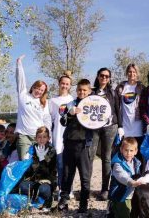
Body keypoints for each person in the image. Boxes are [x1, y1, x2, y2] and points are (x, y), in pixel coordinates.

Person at [57, 79, 98, 213]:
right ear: (76, 90)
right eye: (80, 90)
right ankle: (63, 202)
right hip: (69, 143)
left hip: (85, 145)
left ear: (89, 91)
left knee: (85, 176)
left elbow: (100, 121)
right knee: (67, 174)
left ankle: (83, 204)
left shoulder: (94, 104)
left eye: (85, 90)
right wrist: (70, 113)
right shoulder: (70, 104)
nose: (82, 92)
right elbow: (62, 121)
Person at [90, 67, 121, 201]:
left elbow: (118, 110)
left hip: (110, 127)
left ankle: (104, 189)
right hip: (94, 128)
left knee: (107, 158)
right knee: (90, 156)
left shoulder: (113, 93)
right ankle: (87, 189)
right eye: (102, 75)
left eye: (107, 76)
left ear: (109, 79)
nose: (104, 78)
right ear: (97, 76)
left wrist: (121, 126)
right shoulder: (91, 93)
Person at [15, 55, 52, 159]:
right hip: (24, 136)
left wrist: (48, 136)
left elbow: (46, 119)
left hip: (39, 137)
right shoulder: (23, 95)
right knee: (24, 163)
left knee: (39, 163)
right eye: (37, 88)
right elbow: (20, 80)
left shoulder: (44, 103)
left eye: (42, 90)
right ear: (33, 87)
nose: (39, 91)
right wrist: (19, 64)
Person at [17, 126, 57, 212]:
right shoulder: (32, 149)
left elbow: (49, 170)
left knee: (43, 189)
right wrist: (27, 160)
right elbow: (29, 171)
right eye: (39, 137)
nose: (41, 139)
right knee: (22, 186)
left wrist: (42, 159)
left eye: (44, 137)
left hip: (47, 180)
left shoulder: (51, 151)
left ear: (48, 138)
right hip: (34, 180)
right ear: (35, 138)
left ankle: (48, 200)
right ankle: (34, 200)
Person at [114, 64, 146, 161]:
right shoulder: (121, 87)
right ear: (127, 73)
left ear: (137, 73)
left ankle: (139, 175)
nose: (132, 74)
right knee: (124, 155)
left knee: (139, 155)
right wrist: (119, 126)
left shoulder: (142, 88)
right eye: (130, 71)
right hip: (124, 128)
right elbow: (116, 106)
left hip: (138, 128)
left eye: (134, 72)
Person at [48, 73, 74, 191]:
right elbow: (49, 119)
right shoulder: (52, 101)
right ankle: (61, 189)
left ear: (70, 86)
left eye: (67, 84)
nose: (64, 86)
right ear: (59, 84)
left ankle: (70, 190)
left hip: (71, 137)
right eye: (63, 83)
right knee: (59, 165)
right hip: (57, 137)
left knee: (70, 165)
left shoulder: (73, 100)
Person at [107, 137, 144, 217]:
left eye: (131, 151)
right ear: (121, 150)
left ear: (136, 151)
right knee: (124, 215)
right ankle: (112, 207)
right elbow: (121, 176)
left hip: (133, 195)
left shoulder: (137, 163)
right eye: (126, 150)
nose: (128, 153)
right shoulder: (117, 164)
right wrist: (131, 182)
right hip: (120, 195)